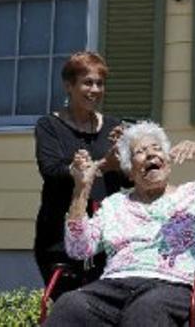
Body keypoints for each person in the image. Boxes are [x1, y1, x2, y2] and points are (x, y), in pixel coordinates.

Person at [44, 121, 195, 326]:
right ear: (130, 170)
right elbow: (78, 249)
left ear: (168, 160)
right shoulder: (114, 204)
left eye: (157, 148)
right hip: (113, 285)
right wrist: (81, 188)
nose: (151, 154)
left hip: (171, 286)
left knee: (145, 309)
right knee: (70, 305)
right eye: (140, 151)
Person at [34, 51, 129, 297]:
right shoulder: (49, 125)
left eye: (100, 83)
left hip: (107, 236)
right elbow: (51, 170)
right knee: (70, 307)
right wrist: (86, 168)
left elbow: (130, 180)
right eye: (87, 82)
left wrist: (125, 160)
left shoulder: (112, 127)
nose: (95, 89)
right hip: (60, 236)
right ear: (69, 85)